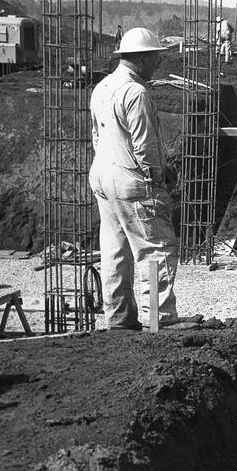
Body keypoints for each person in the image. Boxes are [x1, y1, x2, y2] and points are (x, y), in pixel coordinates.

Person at [88, 27, 180, 330]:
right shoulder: (136, 92)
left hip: (103, 175)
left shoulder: (102, 86)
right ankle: (159, 319)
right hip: (131, 180)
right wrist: (158, 180)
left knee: (115, 250)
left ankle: (118, 320)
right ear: (141, 57)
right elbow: (145, 146)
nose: (157, 64)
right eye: (155, 57)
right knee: (155, 249)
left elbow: (97, 136)